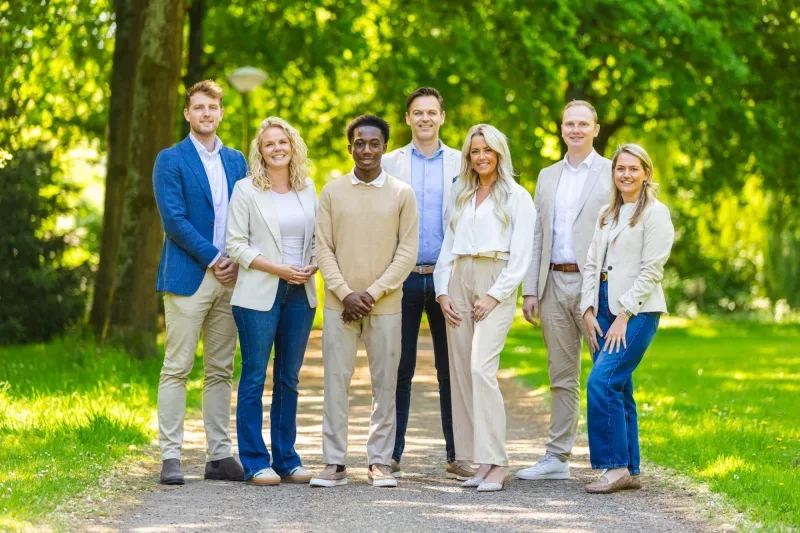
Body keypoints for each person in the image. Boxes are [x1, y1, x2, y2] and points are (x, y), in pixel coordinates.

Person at [310, 115, 418, 489]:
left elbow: (407, 252)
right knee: (336, 382)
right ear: (350, 146)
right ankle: (334, 463)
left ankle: (380, 462)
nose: (366, 149)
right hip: (341, 306)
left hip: (385, 305)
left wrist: (372, 293)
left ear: (385, 147)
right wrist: (345, 292)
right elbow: (322, 248)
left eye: (374, 143)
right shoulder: (332, 192)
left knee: (385, 384)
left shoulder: (402, 193)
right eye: (359, 143)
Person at [153, 80, 248, 485]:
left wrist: (239, 262)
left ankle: (218, 456)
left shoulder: (238, 161)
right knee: (177, 367)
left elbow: (249, 214)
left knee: (221, 370)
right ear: (188, 114)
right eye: (198, 107)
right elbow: (174, 220)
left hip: (232, 280)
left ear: (221, 113)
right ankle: (171, 457)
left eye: (212, 107)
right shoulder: (170, 159)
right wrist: (214, 259)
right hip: (189, 276)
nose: (206, 113)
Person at [434, 124, 535, 492]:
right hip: (459, 276)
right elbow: (449, 244)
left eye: (487, 150)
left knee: (481, 368)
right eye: (474, 151)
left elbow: (522, 256)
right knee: (460, 372)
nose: (480, 157)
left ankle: (498, 462)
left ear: (499, 153)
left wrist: (496, 294)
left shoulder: (518, 197)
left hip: (496, 277)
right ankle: (478, 460)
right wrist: (441, 291)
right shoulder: (460, 193)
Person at [381, 87, 474, 481]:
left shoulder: (462, 161)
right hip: (401, 279)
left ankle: (458, 454)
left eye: (431, 112)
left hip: (446, 279)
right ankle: (391, 453)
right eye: (417, 113)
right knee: (397, 368)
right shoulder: (388, 162)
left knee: (450, 367)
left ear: (442, 117)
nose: (424, 118)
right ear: (407, 118)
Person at [517, 100, 612, 482]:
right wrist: (529, 290)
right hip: (553, 283)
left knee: (607, 375)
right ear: (561, 129)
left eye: (582, 124)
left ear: (595, 129)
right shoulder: (547, 176)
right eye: (569, 123)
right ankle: (557, 457)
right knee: (561, 375)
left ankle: (614, 460)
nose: (575, 129)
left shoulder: (612, 172)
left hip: (597, 287)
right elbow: (537, 234)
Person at [226, 117, 318, 486]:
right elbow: (236, 245)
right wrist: (280, 269)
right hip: (258, 292)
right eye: (269, 144)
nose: (277, 148)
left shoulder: (308, 188)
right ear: (260, 153)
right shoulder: (246, 190)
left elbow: (316, 238)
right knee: (253, 377)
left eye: (283, 142)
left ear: (293, 146)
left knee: (289, 379)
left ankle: (287, 459)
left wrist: (311, 263)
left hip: (301, 292)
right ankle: (254, 461)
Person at [580, 144, 674, 493]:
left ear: (646, 172)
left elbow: (652, 270)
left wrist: (624, 314)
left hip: (637, 310)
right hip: (601, 308)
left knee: (601, 382)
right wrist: (588, 310)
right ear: (614, 172)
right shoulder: (607, 212)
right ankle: (630, 469)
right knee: (618, 387)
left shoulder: (656, 213)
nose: (626, 174)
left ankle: (614, 466)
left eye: (634, 168)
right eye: (621, 168)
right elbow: (592, 264)